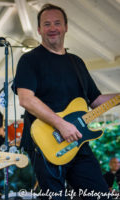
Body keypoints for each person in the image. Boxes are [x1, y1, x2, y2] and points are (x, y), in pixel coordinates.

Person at [12, 3, 120, 200]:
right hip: (45, 144)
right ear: (39, 30)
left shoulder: (76, 62)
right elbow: (26, 99)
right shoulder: (30, 60)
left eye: (57, 23)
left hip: (78, 141)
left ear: (66, 27)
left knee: (100, 195)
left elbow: (96, 101)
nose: (52, 28)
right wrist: (61, 125)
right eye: (46, 24)